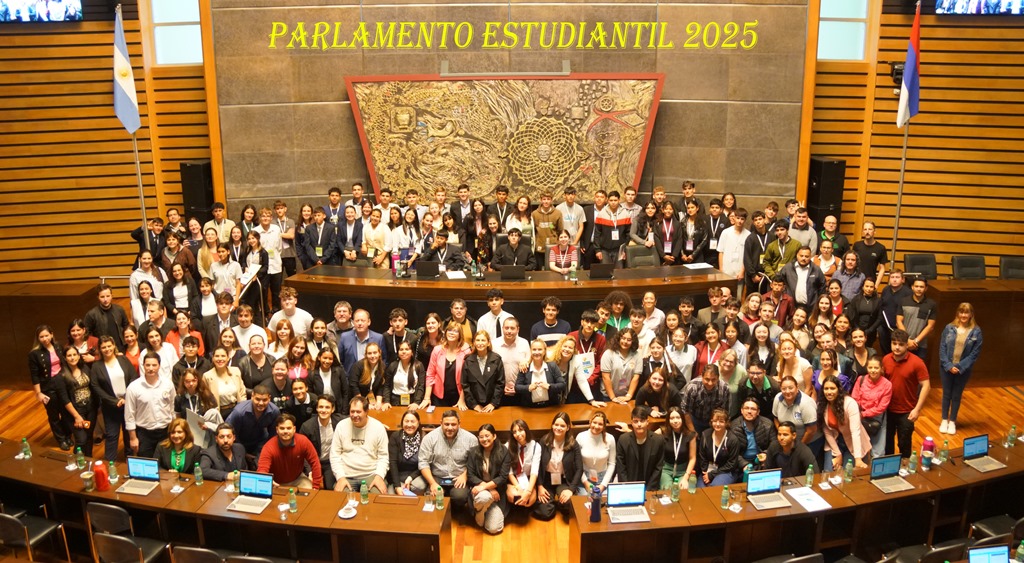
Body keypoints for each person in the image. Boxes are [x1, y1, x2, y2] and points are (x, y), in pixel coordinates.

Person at [883, 329, 931, 458]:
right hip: (888, 409)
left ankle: (905, 470)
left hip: (907, 411)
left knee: (904, 444)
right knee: (887, 444)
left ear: (907, 345)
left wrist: (917, 409)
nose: (897, 347)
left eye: (901, 344)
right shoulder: (885, 360)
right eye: (894, 343)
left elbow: (926, 385)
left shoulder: (917, 362)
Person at [937, 303, 983, 435]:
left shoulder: (976, 331)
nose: (963, 315)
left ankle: (952, 421)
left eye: (966, 313)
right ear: (957, 313)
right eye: (961, 312)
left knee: (956, 395)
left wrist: (959, 366)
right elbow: (942, 348)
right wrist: (948, 365)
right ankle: (944, 419)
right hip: (946, 367)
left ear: (971, 315)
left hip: (963, 370)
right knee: (946, 394)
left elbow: (974, 354)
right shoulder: (949, 328)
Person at [419, 409, 478, 509]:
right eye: (446, 424)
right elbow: (423, 462)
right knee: (433, 498)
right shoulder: (430, 438)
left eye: (453, 424)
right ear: (441, 423)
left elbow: (475, 462)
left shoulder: (470, 439)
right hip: (437, 476)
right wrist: (432, 483)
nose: (450, 428)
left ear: (459, 424)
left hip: (459, 477)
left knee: (459, 497)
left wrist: (465, 475)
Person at [329, 395, 389, 493]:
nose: (355, 415)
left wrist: (379, 476)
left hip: (371, 474)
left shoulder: (378, 427)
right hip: (347, 475)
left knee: (377, 498)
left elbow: (383, 457)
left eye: (358, 411)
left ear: (366, 412)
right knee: (341, 500)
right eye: (352, 411)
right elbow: (335, 455)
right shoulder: (341, 426)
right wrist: (340, 477)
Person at [124, 353, 177, 458]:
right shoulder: (133, 387)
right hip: (144, 433)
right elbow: (129, 415)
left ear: (159, 366)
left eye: (154, 365)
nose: (151, 368)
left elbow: (173, 407)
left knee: (166, 462)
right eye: (147, 365)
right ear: (143, 366)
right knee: (147, 463)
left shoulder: (168, 384)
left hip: (165, 431)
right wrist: (133, 438)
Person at [29, 325, 73, 450]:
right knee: (54, 414)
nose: (44, 339)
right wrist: (38, 393)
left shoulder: (58, 347)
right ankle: (61, 439)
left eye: (46, 335)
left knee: (65, 411)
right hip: (48, 386)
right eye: (41, 336)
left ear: (52, 334)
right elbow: (35, 375)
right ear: (38, 338)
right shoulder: (34, 354)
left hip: (62, 383)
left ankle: (68, 435)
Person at [532, 412, 581, 520]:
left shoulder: (573, 444)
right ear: (552, 425)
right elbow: (537, 466)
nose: (558, 428)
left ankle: (560, 503)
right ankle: (552, 503)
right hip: (546, 481)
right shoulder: (544, 441)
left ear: (568, 427)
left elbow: (579, 469)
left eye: (562, 426)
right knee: (545, 513)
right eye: (556, 425)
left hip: (563, 480)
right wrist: (539, 486)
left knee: (570, 505)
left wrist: (571, 489)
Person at [819, 375, 871, 472]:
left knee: (848, 473)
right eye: (826, 389)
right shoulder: (822, 405)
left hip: (853, 442)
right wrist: (838, 454)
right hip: (835, 442)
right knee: (828, 472)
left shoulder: (850, 403)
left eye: (832, 388)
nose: (829, 392)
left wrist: (858, 459)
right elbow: (827, 432)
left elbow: (855, 432)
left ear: (838, 389)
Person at [466, 424, 511, 534]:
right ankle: (480, 514)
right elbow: (471, 475)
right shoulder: (473, 452)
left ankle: (483, 511)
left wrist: (487, 487)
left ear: (494, 436)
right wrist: (489, 489)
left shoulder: (504, 451)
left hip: (497, 493)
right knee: (484, 497)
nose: (484, 439)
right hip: (479, 490)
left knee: (494, 528)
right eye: (481, 437)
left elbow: (503, 477)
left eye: (487, 436)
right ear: (478, 438)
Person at [258, 413, 322, 489]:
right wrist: (267, 481)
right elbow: (262, 470)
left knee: (310, 492)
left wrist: (316, 486)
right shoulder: (269, 447)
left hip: (298, 479)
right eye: (282, 428)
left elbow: (315, 463)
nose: (285, 431)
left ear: (294, 429)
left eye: (289, 428)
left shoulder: (303, 441)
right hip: (276, 483)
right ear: (277, 430)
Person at [55, 346, 97, 456]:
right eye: (69, 355)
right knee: (81, 439)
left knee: (88, 436)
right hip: (75, 411)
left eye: (74, 354)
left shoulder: (85, 368)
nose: (72, 358)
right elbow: (65, 400)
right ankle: (77, 461)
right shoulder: (61, 376)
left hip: (90, 408)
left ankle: (89, 460)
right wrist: (77, 416)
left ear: (79, 355)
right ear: (64, 358)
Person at [615, 406, 664, 491]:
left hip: (650, 487)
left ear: (647, 422)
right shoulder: (623, 440)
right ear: (632, 423)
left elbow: (658, 468)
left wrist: (648, 490)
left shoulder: (658, 440)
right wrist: (627, 488)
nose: (639, 424)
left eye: (642, 421)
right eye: (636, 421)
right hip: (628, 487)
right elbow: (621, 468)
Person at [423, 321, 470, 410]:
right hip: (439, 397)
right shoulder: (437, 350)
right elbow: (430, 375)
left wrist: (462, 399)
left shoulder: (466, 352)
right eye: (450, 330)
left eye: (456, 331)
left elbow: (467, 379)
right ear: (446, 332)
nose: (452, 333)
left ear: (460, 335)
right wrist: (427, 398)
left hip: (459, 397)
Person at [851, 357, 891, 457]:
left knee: (878, 452)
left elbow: (882, 407)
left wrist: (864, 414)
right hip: (859, 414)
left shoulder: (887, 385)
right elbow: (855, 397)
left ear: (881, 368)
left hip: (877, 417)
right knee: (859, 448)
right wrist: (859, 413)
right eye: (870, 367)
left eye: (876, 368)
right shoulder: (861, 379)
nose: (873, 370)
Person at [224, 384, 280, 457]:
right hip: (240, 444)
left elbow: (273, 435)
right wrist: (242, 452)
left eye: (264, 400)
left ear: (269, 398)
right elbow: (231, 433)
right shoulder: (239, 412)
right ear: (252, 396)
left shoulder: (274, 411)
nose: (261, 403)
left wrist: (265, 449)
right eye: (257, 399)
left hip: (261, 443)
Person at [696, 408, 741, 487]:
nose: (717, 424)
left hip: (726, 471)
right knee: (700, 490)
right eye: (715, 421)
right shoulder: (705, 434)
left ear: (726, 423)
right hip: (707, 470)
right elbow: (702, 456)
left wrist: (712, 475)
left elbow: (731, 464)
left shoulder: (733, 439)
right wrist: (705, 472)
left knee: (713, 488)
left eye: (721, 421)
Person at [462, 330, 505, 413]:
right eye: (477, 340)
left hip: (493, 406)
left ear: (488, 343)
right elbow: (465, 384)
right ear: (474, 342)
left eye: (483, 340)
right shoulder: (468, 360)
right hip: (474, 407)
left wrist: (493, 403)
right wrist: (474, 404)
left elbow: (500, 383)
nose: (480, 343)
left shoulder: (496, 359)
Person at [896, 277, 938, 361]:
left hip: (921, 345)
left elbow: (930, 326)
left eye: (921, 287)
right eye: (917, 286)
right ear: (912, 287)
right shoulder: (903, 301)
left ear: (926, 288)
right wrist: (907, 340)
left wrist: (916, 341)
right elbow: (898, 321)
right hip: (903, 343)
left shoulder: (931, 304)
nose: (919, 289)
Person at [388, 410, 428, 494]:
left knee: (419, 487)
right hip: (398, 475)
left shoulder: (425, 438)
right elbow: (393, 462)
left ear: (418, 423)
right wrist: (397, 486)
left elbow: (424, 463)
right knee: (391, 494)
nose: (409, 425)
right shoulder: (395, 437)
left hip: (417, 474)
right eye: (406, 421)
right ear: (402, 422)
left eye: (413, 422)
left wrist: (410, 477)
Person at [516, 340, 565, 408]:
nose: (537, 352)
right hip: (530, 408)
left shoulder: (552, 366)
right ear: (530, 351)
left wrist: (549, 387)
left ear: (544, 351)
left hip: (550, 407)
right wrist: (528, 388)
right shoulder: (525, 367)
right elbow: (517, 387)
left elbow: (562, 385)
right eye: (534, 349)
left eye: (540, 349)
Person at [658, 407, 697, 489]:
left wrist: (686, 477)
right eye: (672, 418)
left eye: (678, 417)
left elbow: (692, 458)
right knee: (667, 490)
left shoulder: (690, 435)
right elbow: (646, 436)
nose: (675, 421)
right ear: (668, 420)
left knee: (683, 490)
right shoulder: (663, 431)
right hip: (666, 469)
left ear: (682, 419)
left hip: (683, 471)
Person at [578, 412, 616, 495]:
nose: (596, 426)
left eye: (600, 424)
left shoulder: (610, 439)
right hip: (584, 478)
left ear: (604, 426)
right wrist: (585, 482)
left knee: (603, 503)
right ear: (590, 422)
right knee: (587, 501)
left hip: (603, 479)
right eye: (594, 422)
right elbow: (577, 463)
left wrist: (603, 485)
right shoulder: (581, 437)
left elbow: (612, 463)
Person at [381, 340, 426, 411]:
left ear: (412, 352)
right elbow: (387, 385)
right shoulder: (393, 366)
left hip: (413, 402)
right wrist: (386, 401)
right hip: (395, 402)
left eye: (407, 349)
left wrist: (416, 402)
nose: (404, 352)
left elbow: (421, 386)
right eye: (401, 349)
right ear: (398, 353)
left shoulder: (418, 366)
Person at [772, 375, 817, 446]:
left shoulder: (806, 403)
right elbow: (775, 418)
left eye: (791, 388)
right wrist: (783, 435)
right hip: (787, 441)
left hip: (808, 441)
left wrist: (798, 447)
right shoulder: (777, 398)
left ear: (797, 387)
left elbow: (811, 431)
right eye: (784, 388)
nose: (787, 391)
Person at [732, 397, 776, 469]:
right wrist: (743, 464)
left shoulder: (768, 424)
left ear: (758, 412)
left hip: (761, 461)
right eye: (746, 408)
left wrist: (766, 453)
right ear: (741, 410)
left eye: (753, 409)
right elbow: (732, 452)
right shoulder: (734, 426)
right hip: (740, 463)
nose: (749, 411)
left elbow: (774, 443)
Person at [600, 328, 641, 404]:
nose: (625, 342)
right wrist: (613, 397)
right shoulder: (609, 353)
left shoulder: (637, 355)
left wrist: (628, 396)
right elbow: (605, 377)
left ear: (633, 341)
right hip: (608, 397)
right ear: (618, 339)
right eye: (623, 338)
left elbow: (636, 377)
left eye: (629, 340)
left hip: (626, 396)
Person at [852, 221, 887, 287]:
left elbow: (882, 269)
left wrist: (876, 285)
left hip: (871, 284)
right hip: (856, 282)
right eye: (865, 229)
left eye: (870, 229)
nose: (867, 232)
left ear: (874, 231)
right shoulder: (857, 245)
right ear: (863, 232)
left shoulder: (880, 248)